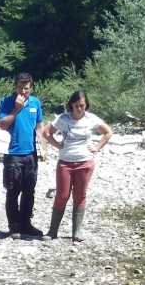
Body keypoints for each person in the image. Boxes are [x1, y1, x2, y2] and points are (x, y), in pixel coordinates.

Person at [40, 91, 113, 241]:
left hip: (85, 162)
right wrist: (56, 144)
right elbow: (46, 132)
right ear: (71, 105)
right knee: (62, 195)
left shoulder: (91, 119)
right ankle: (52, 231)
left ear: (86, 105)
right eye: (76, 106)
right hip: (65, 162)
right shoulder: (63, 119)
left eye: (82, 106)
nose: (79, 109)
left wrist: (97, 147)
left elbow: (108, 132)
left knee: (80, 195)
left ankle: (76, 232)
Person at [0, 73, 45, 238]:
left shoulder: (35, 102)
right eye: (20, 88)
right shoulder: (6, 102)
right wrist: (16, 109)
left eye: (26, 88)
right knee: (13, 190)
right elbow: (2, 125)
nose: (23, 91)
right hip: (13, 154)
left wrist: (44, 147)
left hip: (31, 154)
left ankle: (26, 224)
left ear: (31, 87)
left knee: (29, 191)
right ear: (15, 86)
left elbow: (39, 127)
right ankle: (14, 226)